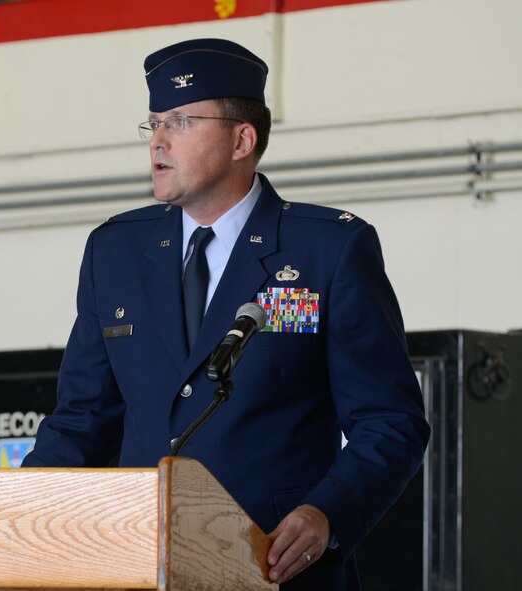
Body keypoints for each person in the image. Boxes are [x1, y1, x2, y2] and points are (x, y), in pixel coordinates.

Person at [22, 38, 430, 591]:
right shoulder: (115, 252)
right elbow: (82, 421)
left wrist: (329, 513)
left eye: (182, 122)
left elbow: (390, 421)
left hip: (274, 568)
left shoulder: (327, 251)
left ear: (243, 139)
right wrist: (13, 519)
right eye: (154, 124)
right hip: (141, 567)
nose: (158, 142)